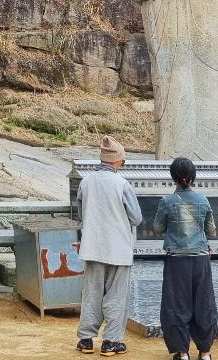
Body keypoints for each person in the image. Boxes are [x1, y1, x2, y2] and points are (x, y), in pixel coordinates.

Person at [75, 135, 142, 356]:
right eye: (122, 160)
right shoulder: (122, 184)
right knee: (116, 296)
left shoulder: (85, 182)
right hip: (118, 249)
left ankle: (86, 339)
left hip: (92, 246)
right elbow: (136, 218)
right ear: (116, 161)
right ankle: (111, 342)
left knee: (91, 293)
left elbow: (81, 212)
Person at [153, 157, 218, 360]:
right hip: (200, 260)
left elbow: (157, 228)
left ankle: (182, 353)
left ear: (173, 177)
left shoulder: (167, 201)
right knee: (204, 303)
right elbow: (211, 230)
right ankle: (205, 352)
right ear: (193, 177)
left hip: (176, 261)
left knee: (176, 305)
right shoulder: (203, 200)